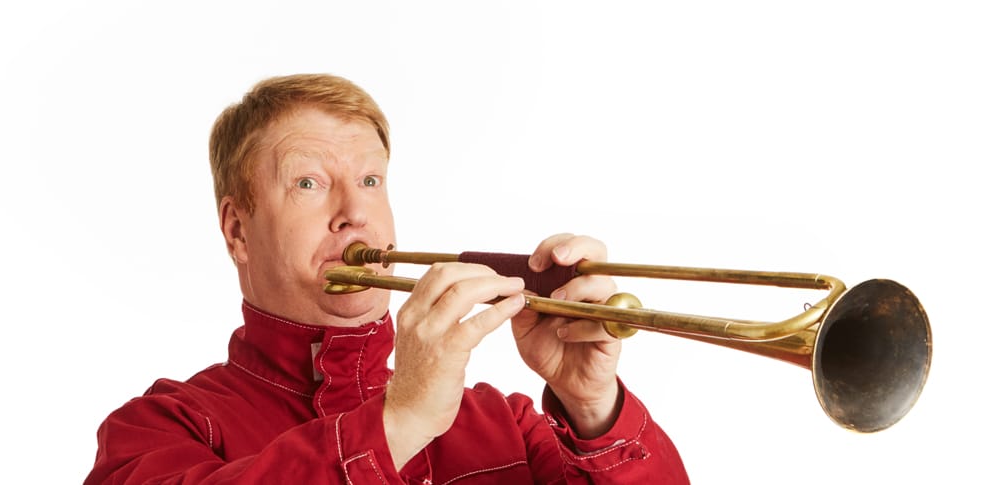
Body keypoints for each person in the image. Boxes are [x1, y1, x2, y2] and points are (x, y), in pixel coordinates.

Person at [85, 74, 690, 484]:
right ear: (237, 231)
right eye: (308, 183)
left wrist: (593, 408)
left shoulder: (509, 424)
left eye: (371, 181)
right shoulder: (156, 430)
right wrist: (397, 423)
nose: (355, 212)